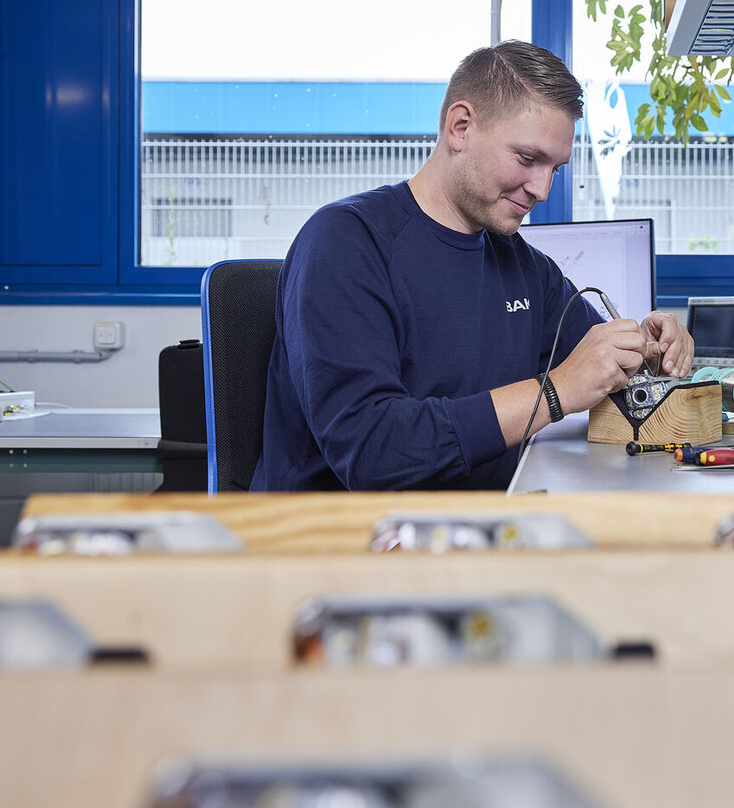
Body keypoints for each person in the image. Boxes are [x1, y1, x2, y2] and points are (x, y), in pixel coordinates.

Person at [251, 41, 694, 491]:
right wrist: (555, 391)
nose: (542, 190)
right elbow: (373, 452)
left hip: (482, 519)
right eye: (527, 159)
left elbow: (600, 370)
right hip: (349, 529)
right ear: (460, 128)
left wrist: (647, 353)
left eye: (555, 169)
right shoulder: (345, 242)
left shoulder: (524, 268)